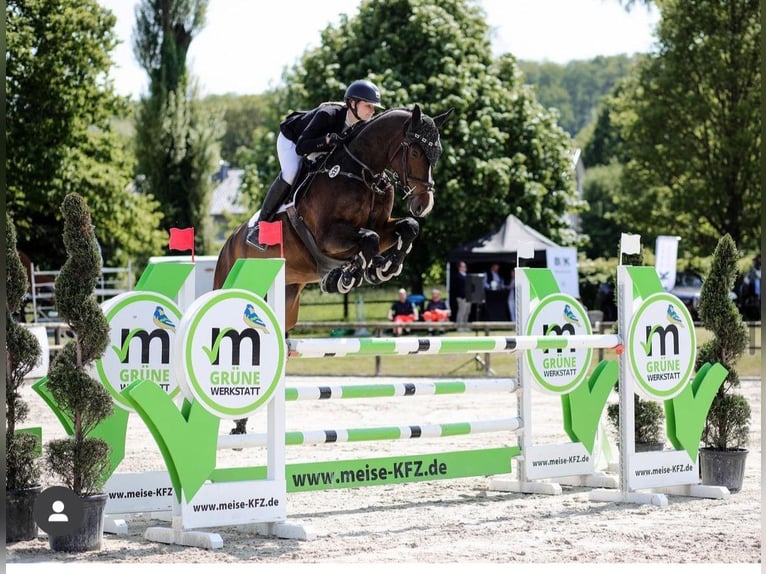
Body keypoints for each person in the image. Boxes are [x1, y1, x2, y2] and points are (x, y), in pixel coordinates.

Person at [246, 79, 384, 249]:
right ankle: (260, 226)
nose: (372, 111)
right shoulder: (328, 114)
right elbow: (302, 147)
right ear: (353, 103)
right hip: (293, 140)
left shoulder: (362, 126)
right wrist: (327, 140)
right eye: (368, 106)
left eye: (374, 107)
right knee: (291, 172)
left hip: (320, 147)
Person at [453, 261, 471, 331]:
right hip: (461, 297)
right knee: (461, 312)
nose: (464, 268)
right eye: (462, 266)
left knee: (467, 312)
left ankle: (465, 326)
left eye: (465, 266)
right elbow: (458, 288)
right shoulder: (458, 276)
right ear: (459, 267)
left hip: (468, 297)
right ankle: (459, 327)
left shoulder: (466, 275)